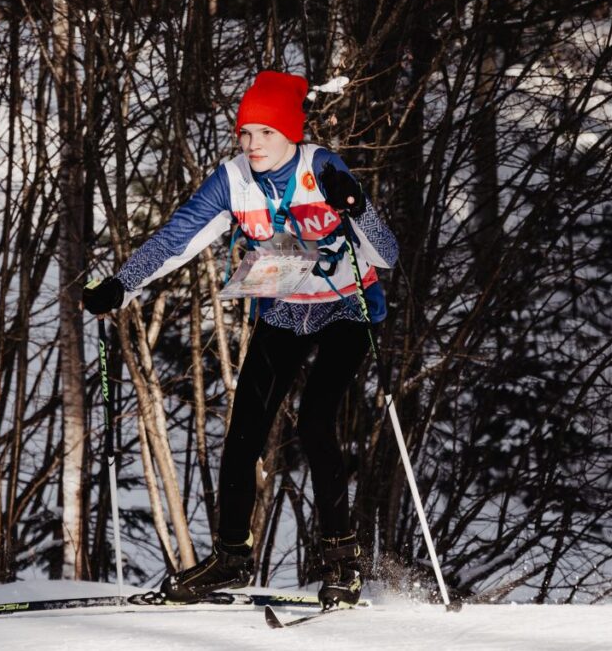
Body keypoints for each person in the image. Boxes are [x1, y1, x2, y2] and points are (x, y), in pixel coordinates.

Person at [83, 70, 398, 609]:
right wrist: (121, 285)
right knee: (245, 429)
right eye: (245, 132)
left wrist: (358, 205)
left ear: (290, 134)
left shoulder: (320, 166)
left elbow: (386, 254)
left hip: (348, 308)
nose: (251, 143)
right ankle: (231, 556)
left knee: (318, 418)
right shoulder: (232, 179)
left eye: (265, 133)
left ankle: (341, 559)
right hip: (281, 311)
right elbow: (176, 239)